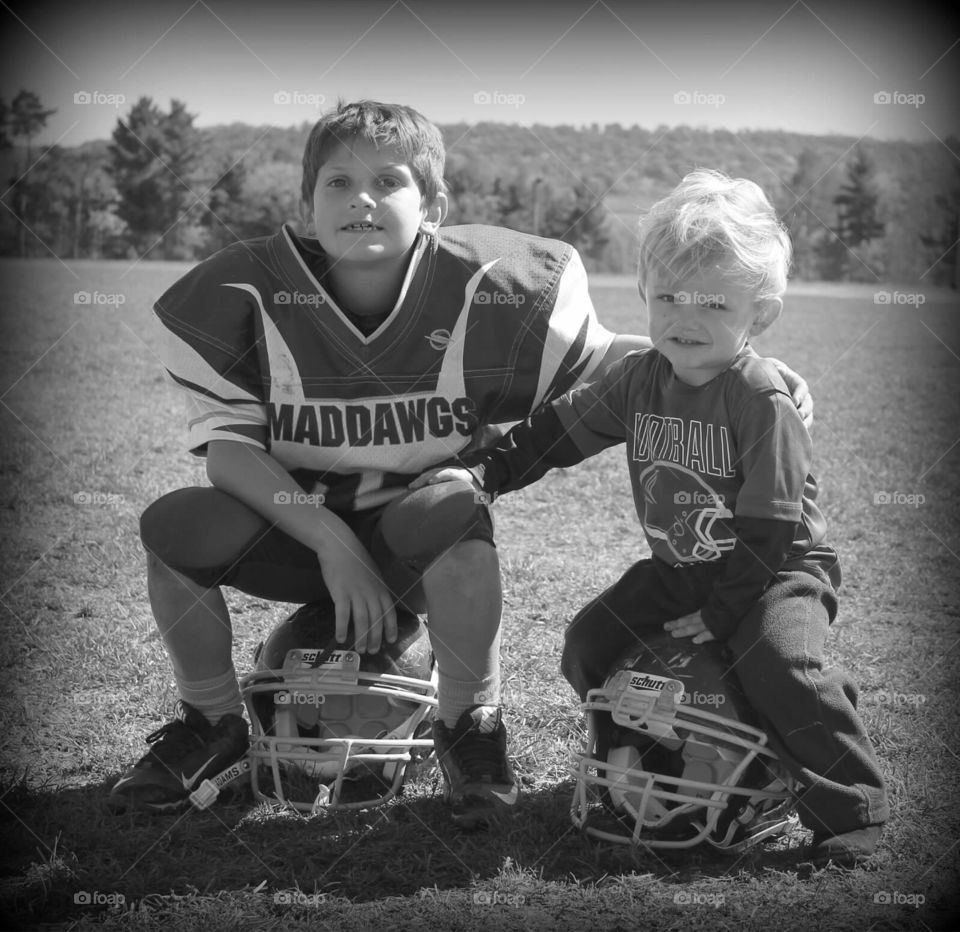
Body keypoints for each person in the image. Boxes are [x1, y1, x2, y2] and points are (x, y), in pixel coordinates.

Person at [110, 102, 812, 829]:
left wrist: (744, 371)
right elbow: (229, 452)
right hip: (298, 538)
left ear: (434, 204)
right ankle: (211, 721)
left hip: (419, 542)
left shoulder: (486, 284)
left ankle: (468, 719)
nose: (362, 199)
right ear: (304, 208)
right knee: (176, 526)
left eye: (389, 181)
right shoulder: (247, 290)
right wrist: (329, 540)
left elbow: (615, 363)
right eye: (338, 183)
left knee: (452, 506)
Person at [415, 168, 887, 863]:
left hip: (774, 572)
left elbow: (770, 528)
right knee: (589, 645)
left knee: (779, 661)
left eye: (710, 303)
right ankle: (651, 756)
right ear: (643, 293)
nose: (683, 319)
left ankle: (852, 808)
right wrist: (489, 473)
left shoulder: (761, 398)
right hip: (680, 571)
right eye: (667, 296)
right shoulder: (641, 377)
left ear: (761, 313)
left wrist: (727, 614)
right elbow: (559, 433)